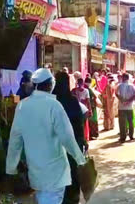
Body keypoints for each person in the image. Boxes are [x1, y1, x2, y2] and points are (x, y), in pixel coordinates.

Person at [6, 68, 86, 204]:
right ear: (49, 85)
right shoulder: (54, 105)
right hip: (55, 172)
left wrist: (11, 168)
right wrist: (80, 160)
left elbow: (15, 141)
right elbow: (67, 138)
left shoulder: (22, 106)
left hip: (35, 171)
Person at [53, 72, 87, 204]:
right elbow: (78, 123)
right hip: (72, 143)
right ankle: (72, 199)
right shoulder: (72, 100)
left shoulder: (52, 100)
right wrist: (82, 140)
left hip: (56, 144)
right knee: (73, 173)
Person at [116, 73, 135, 143]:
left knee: (122, 123)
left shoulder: (119, 86)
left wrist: (121, 100)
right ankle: (131, 136)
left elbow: (116, 93)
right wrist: (128, 101)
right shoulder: (132, 86)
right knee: (130, 122)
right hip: (129, 107)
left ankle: (123, 137)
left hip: (121, 107)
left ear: (123, 78)